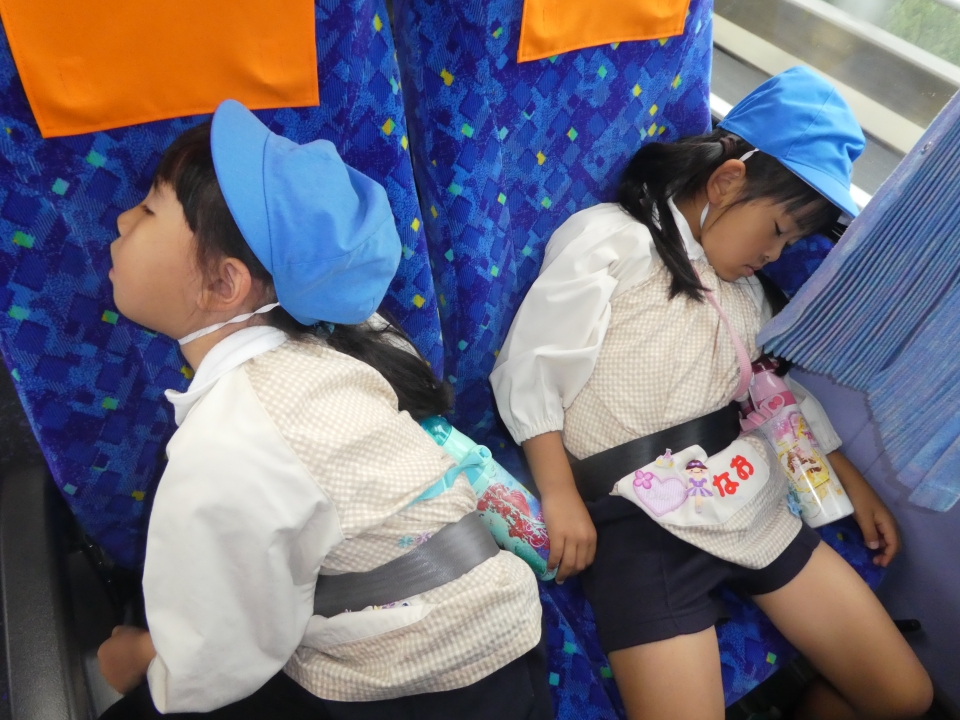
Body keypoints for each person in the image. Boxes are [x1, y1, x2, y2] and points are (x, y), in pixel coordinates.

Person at [491, 67, 932, 719]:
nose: (776, 254)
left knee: (905, 697)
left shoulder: (748, 294)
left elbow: (771, 397)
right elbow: (530, 365)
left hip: (743, 490)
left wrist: (849, 479)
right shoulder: (615, 239)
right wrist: (559, 493)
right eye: (777, 230)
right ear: (726, 182)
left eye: (791, 242)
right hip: (637, 520)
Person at [96, 100, 550, 720]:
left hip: (415, 689)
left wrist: (140, 658)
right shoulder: (335, 350)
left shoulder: (231, 439)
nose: (122, 219)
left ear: (224, 284)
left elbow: (217, 655)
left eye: (149, 210)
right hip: (509, 647)